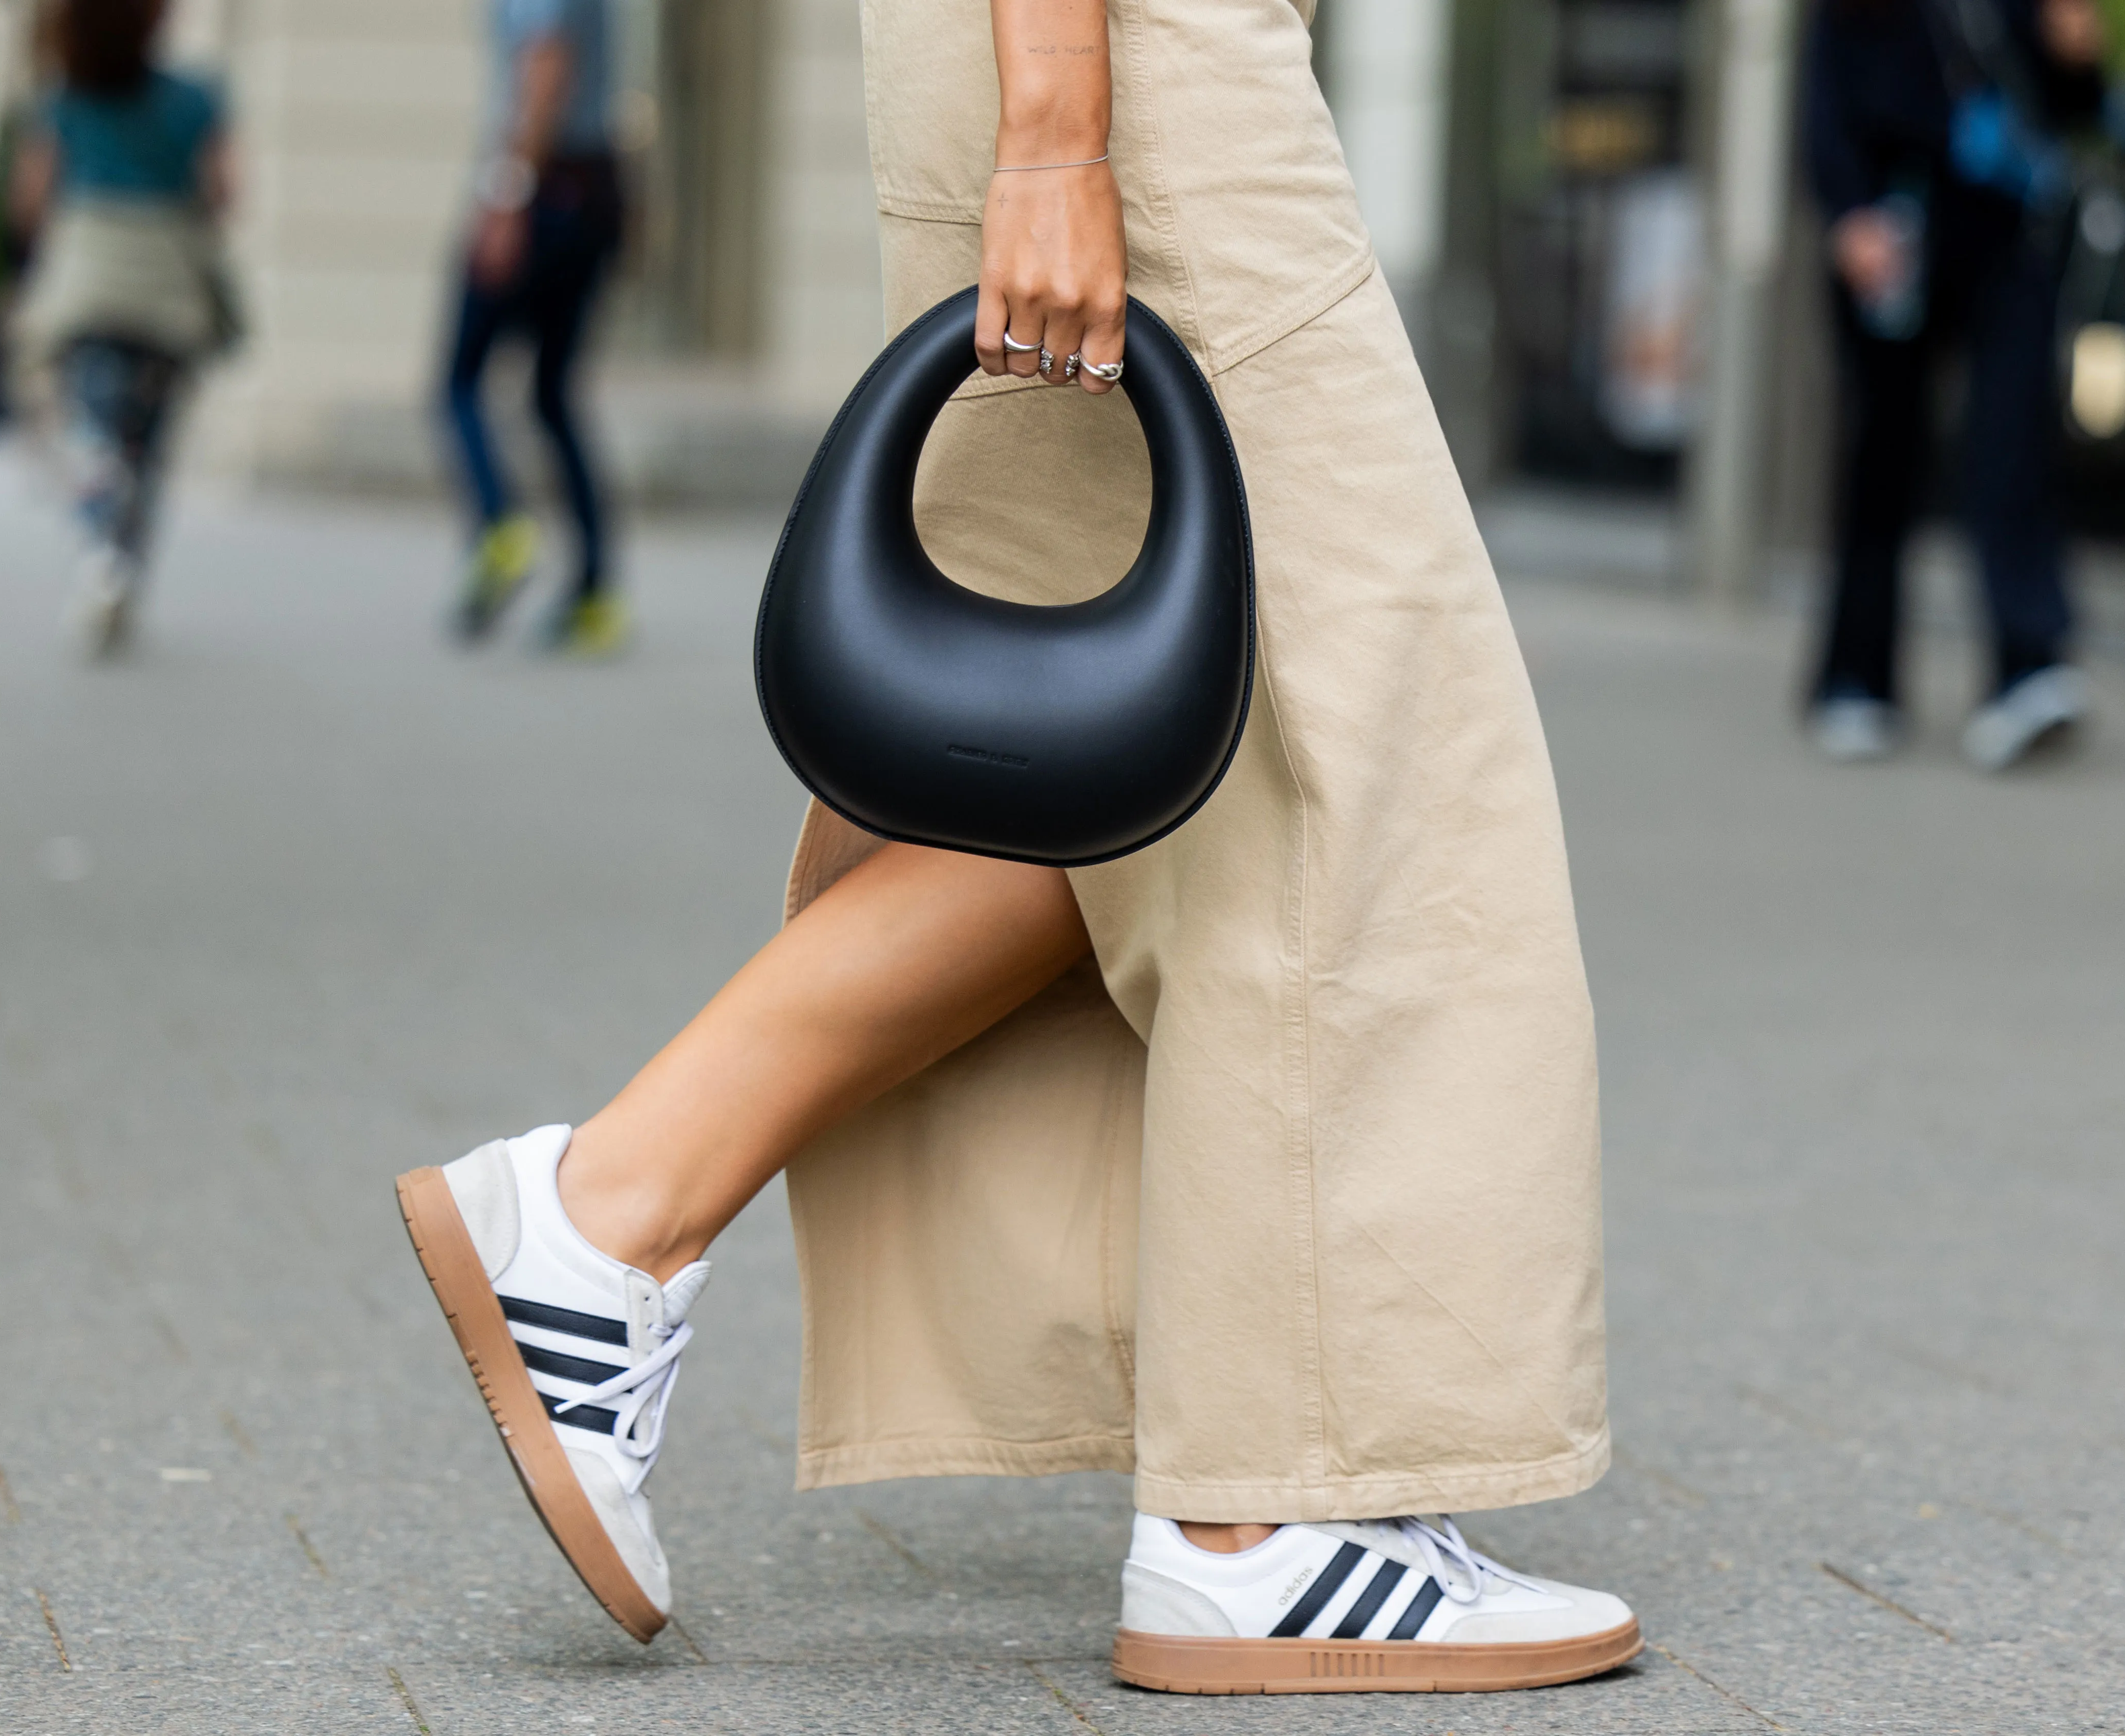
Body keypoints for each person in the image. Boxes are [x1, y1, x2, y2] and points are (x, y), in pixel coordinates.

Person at [393, 0, 1642, 1697]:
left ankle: (605, 1215)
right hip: (1129, 63)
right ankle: (1263, 1529)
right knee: (1365, 746)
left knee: (1145, 760)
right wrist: (1059, 130)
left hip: (1078, 60)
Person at [1800, 0, 2107, 769]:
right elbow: (1820, 100)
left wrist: (2079, 54)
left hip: (2003, 229)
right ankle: (1856, 677)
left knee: (2012, 440)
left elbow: (2072, 104)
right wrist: (1847, 215)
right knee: (1883, 452)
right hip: (1893, 224)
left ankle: (2028, 665)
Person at [7, 0, 237, 658]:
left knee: (96, 433)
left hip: (91, 277)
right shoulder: (198, 98)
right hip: (168, 282)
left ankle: (100, 554)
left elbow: (30, 202)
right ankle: (123, 567)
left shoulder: (65, 97)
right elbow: (225, 194)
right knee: (149, 447)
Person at [441, 0, 626, 655]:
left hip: (545, 191)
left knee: (459, 380)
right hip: (594, 186)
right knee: (554, 394)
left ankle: (501, 524)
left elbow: (547, 63)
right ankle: (597, 593)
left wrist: (506, 195)